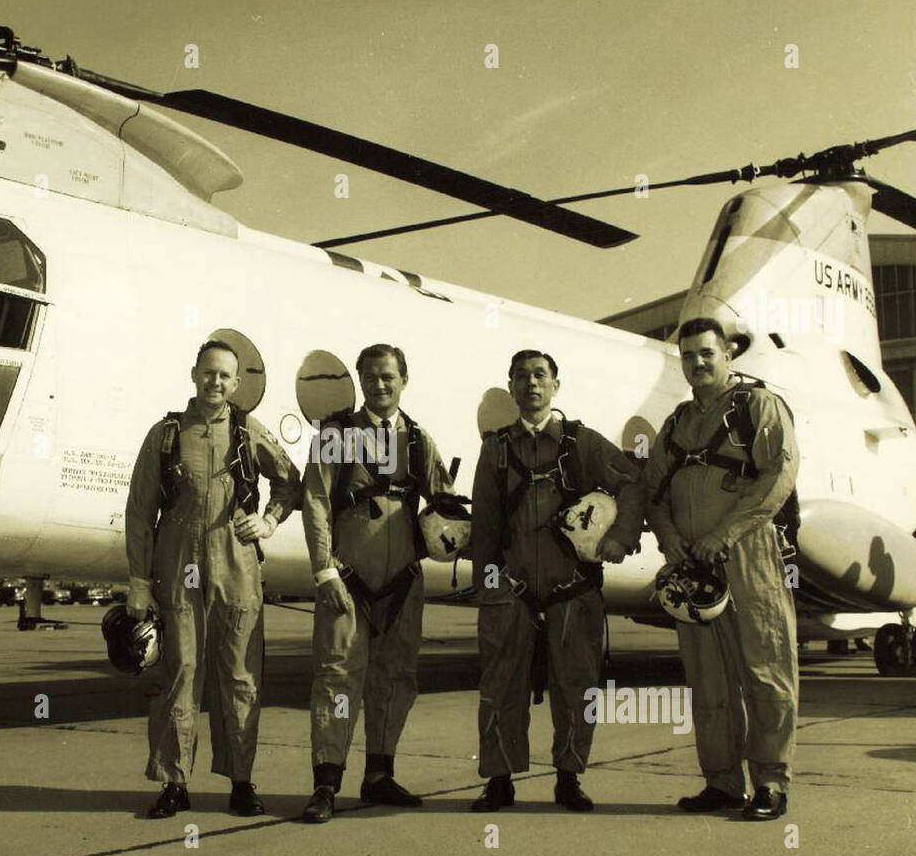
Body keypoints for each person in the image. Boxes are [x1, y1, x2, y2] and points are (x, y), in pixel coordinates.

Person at [125, 340, 302, 818]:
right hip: (178, 565)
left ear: (236, 382)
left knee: (240, 676)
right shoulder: (165, 434)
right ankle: (173, 782)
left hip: (237, 564)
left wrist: (267, 521)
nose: (216, 383)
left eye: (225, 376)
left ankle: (241, 781)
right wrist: (138, 581)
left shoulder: (248, 432)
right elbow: (140, 512)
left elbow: (291, 481)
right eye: (208, 373)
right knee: (180, 673)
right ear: (194, 374)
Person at [470, 350, 646, 813]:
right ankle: (499, 779)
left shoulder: (582, 444)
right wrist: (488, 587)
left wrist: (621, 538)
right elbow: (486, 524)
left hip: (573, 590)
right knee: (500, 685)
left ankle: (569, 778)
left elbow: (632, 483)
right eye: (522, 377)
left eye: (540, 376)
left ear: (555, 386)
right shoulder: (496, 451)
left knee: (577, 687)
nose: (531, 383)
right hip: (512, 591)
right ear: (510, 387)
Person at [644, 317, 799, 821]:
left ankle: (771, 784)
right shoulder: (676, 424)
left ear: (728, 354)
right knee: (708, 683)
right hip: (692, 567)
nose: (697, 364)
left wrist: (724, 535)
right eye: (688, 357)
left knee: (765, 674)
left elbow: (779, 476)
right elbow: (654, 491)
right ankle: (722, 783)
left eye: (706, 354)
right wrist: (669, 538)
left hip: (748, 561)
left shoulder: (757, 408)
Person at [299, 344, 459, 823]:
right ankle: (326, 784)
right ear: (361, 381)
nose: (379, 384)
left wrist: (461, 528)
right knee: (336, 679)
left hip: (402, 582)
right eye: (370, 376)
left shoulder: (418, 440)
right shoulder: (336, 434)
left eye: (388, 376)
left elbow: (444, 502)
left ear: (404, 380)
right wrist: (324, 569)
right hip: (346, 579)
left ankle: (379, 775)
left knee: (395, 679)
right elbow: (316, 501)